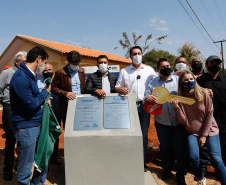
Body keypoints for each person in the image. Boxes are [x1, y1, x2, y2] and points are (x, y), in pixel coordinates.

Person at [171, 70, 226, 185]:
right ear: (181, 82)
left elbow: (209, 114)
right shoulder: (180, 98)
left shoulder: (203, 93)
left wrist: (204, 136)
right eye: (185, 80)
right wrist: (177, 108)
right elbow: (184, 121)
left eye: (191, 79)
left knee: (216, 159)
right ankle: (201, 177)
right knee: (193, 158)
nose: (189, 81)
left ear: (194, 79)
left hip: (210, 130)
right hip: (192, 131)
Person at [10, 46, 50, 185]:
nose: (44, 66)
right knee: (26, 166)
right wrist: (45, 93)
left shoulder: (30, 75)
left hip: (36, 123)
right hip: (26, 127)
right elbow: (31, 104)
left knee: (41, 160)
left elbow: (33, 100)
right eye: (43, 62)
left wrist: (43, 100)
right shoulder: (21, 78)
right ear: (38, 59)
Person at [115, 46, 158, 172]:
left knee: (143, 135)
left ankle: (142, 161)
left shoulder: (149, 70)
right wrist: (120, 89)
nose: (137, 55)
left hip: (145, 106)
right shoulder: (124, 71)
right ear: (130, 56)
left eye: (139, 53)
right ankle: (129, 158)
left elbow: (157, 84)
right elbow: (117, 87)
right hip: (129, 106)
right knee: (129, 134)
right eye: (134, 53)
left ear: (142, 55)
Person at [144, 58, 187, 184]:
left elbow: (190, 91)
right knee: (165, 148)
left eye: (168, 65)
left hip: (178, 122)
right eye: (163, 67)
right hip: (162, 123)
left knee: (180, 149)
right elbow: (146, 97)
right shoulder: (153, 83)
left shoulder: (178, 80)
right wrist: (148, 97)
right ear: (158, 69)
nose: (166, 68)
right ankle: (167, 171)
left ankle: (180, 175)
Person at [0, 51, 27, 181]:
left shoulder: (27, 73)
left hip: (23, 109)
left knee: (22, 140)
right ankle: (7, 170)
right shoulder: (7, 73)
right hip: (9, 109)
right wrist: (5, 103)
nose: (26, 64)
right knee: (11, 139)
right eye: (24, 61)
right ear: (16, 61)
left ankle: (18, 166)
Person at [197, 55, 226, 167]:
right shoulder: (199, 81)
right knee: (206, 148)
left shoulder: (225, 79)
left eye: (217, 63)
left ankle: (221, 171)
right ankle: (203, 170)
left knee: (224, 146)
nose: (215, 65)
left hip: (224, 121)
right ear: (206, 65)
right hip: (206, 122)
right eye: (212, 63)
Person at [51, 50, 85, 128]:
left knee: (80, 128)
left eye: (77, 64)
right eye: (73, 64)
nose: (75, 66)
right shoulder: (60, 73)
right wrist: (65, 93)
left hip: (80, 106)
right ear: (68, 62)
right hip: (67, 107)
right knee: (69, 129)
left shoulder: (81, 71)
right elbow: (53, 88)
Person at [37, 63, 61, 165]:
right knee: (42, 135)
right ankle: (43, 159)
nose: (48, 72)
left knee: (55, 135)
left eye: (49, 70)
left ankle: (54, 158)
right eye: (45, 70)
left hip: (56, 113)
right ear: (42, 72)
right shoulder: (38, 83)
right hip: (43, 114)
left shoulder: (58, 82)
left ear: (53, 70)